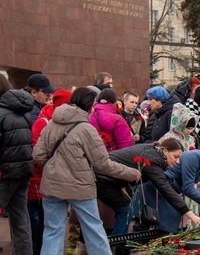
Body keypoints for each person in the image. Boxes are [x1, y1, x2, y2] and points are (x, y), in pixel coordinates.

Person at [32, 87, 141, 255]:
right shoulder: (86, 129)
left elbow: (38, 155)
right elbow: (103, 163)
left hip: (52, 185)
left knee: (52, 231)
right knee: (93, 230)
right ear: (90, 104)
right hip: (80, 186)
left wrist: (53, 168)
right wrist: (131, 173)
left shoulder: (52, 123)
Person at [95, 138, 200, 235]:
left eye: (179, 159)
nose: (177, 162)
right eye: (175, 157)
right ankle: (115, 246)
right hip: (102, 178)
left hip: (105, 177)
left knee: (124, 210)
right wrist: (191, 215)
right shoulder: (154, 160)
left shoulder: (153, 152)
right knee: (126, 210)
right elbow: (165, 189)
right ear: (165, 150)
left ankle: (111, 245)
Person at [139, 131, 200, 232]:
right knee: (157, 229)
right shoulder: (195, 157)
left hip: (173, 192)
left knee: (169, 230)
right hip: (160, 190)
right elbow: (187, 188)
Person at [29, 90, 72, 255]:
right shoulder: (44, 122)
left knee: (51, 227)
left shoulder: (62, 122)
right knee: (42, 226)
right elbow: (37, 154)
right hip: (39, 182)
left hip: (54, 180)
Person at [0, 74, 35, 255]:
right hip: (22, 171)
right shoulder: (21, 110)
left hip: (4, 173)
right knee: (20, 220)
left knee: (20, 219)